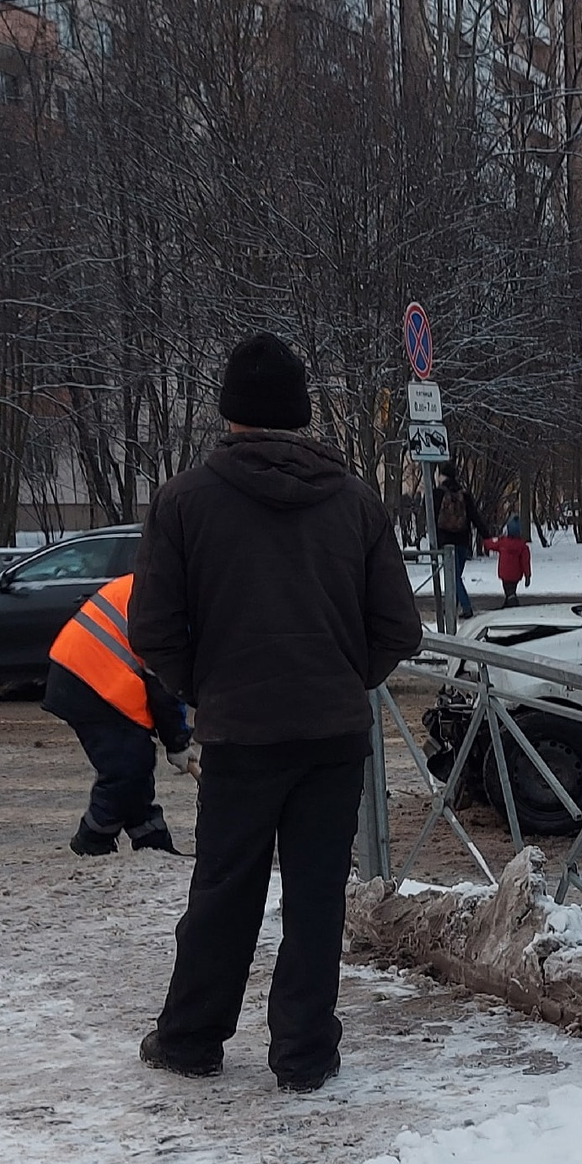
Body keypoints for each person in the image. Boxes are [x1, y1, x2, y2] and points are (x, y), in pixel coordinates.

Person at [128, 331, 423, 1093]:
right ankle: (304, 1055)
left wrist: (206, 684)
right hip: (331, 736)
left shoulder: (184, 501)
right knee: (317, 896)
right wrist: (338, 677)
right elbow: (399, 629)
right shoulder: (356, 502)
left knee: (225, 889)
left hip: (240, 732)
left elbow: (152, 629)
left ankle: (192, 1039)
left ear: (230, 414)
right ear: (301, 415)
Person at [44, 571, 193, 856]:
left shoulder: (169, 587)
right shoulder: (175, 606)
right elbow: (165, 684)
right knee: (126, 767)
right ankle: (92, 838)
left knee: (134, 761)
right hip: (89, 675)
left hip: (84, 668)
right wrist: (177, 741)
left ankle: (152, 840)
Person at [434, 466, 485, 620]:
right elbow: (475, 517)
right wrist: (487, 535)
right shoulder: (464, 494)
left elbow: (432, 518)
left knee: (454, 577)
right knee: (455, 576)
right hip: (463, 541)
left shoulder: (438, 494)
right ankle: (452, 606)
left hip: (447, 542)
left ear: (442, 476)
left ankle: (466, 607)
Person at [484, 513, 532, 605]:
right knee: (511, 590)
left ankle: (512, 604)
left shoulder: (503, 543)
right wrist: (527, 575)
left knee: (508, 591)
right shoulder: (522, 546)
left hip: (505, 574)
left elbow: (492, 545)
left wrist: (486, 541)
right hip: (516, 574)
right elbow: (525, 562)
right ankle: (508, 603)